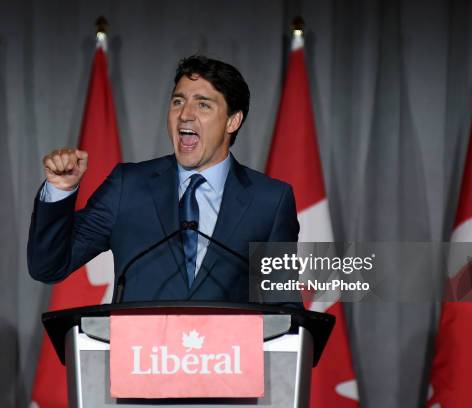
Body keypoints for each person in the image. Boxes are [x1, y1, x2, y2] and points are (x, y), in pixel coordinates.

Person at [27, 55, 300, 302]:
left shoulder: (270, 201)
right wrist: (60, 192)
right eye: (178, 101)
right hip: (140, 355)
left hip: (226, 358)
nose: (185, 115)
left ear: (232, 121)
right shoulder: (128, 187)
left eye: (203, 105)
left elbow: (284, 307)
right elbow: (49, 267)